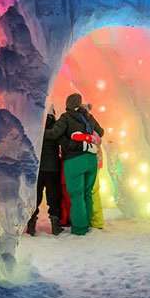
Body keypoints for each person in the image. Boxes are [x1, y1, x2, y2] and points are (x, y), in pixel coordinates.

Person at [44, 93, 104, 235]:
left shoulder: (66, 117)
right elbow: (100, 132)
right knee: (87, 194)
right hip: (91, 160)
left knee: (76, 196)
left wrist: (37, 131)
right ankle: (89, 223)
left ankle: (80, 228)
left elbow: (53, 134)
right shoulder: (88, 116)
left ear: (68, 104)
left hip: (75, 161)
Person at [26, 107, 64, 236]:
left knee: (35, 197)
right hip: (53, 168)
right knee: (53, 197)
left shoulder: (36, 125)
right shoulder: (57, 126)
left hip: (37, 168)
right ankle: (55, 225)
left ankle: (31, 224)